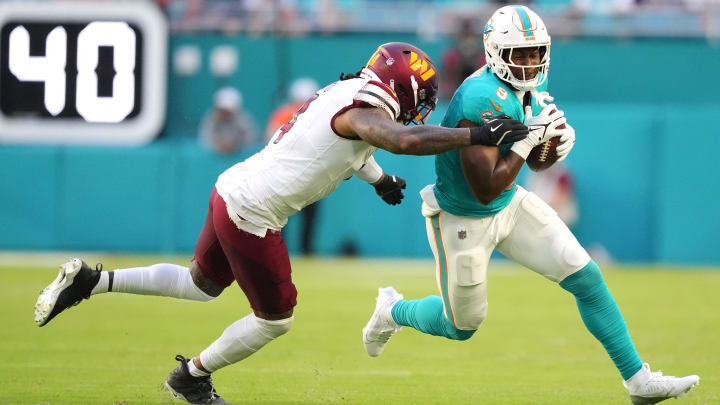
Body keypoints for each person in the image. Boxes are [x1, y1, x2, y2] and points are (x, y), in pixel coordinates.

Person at [34, 42, 529, 405]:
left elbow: (345, 148)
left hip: (232, 188)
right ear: (400, 88)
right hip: (252, 213)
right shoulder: (364, 109)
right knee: (277, 318)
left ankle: (92, 281)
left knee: (201, 285)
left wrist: (378, 180)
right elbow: (400, 139)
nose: (419, 105)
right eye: (418, 94)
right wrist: (476, 134)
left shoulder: (347, 90)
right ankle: (192, 377)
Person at [361, 7, 700, 405]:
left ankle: (638, 381)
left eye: (535, 52)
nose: (529, 63)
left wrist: (550, 147)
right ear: (494, 52)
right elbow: (485, 186)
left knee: (586, 279)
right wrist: (527, 143)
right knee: (461, 325)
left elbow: (531, 163)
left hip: (510, 203)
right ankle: (392, 310)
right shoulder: (479, 97)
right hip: (462, 215)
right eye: (519, 54)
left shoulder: (525, 90)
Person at [265, 77, 322, 254]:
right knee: (296, 215)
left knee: (285, 215)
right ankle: (304, 249)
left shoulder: (285, 113)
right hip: (301, 171)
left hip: (292, 171)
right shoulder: (318, 113)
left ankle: (285, 249)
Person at [200, 87, 257, 155]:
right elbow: (205, 137)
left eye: (227, 110)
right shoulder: (212, 119)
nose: (225, 113)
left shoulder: (243, 120)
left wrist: (236, 145)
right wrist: (218, 146)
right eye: (222, 109)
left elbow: (251, 138)